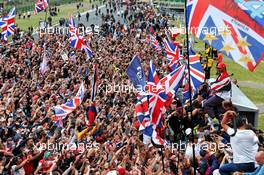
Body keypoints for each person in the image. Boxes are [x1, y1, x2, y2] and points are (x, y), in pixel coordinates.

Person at [219, 111, 259, 175]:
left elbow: (223, 123)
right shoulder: (251, 133)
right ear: (243, 122)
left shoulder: (232, 132)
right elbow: (256, 141)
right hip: (251, 164)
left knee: (222, 169)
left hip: (240, 165)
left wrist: (227, 113)